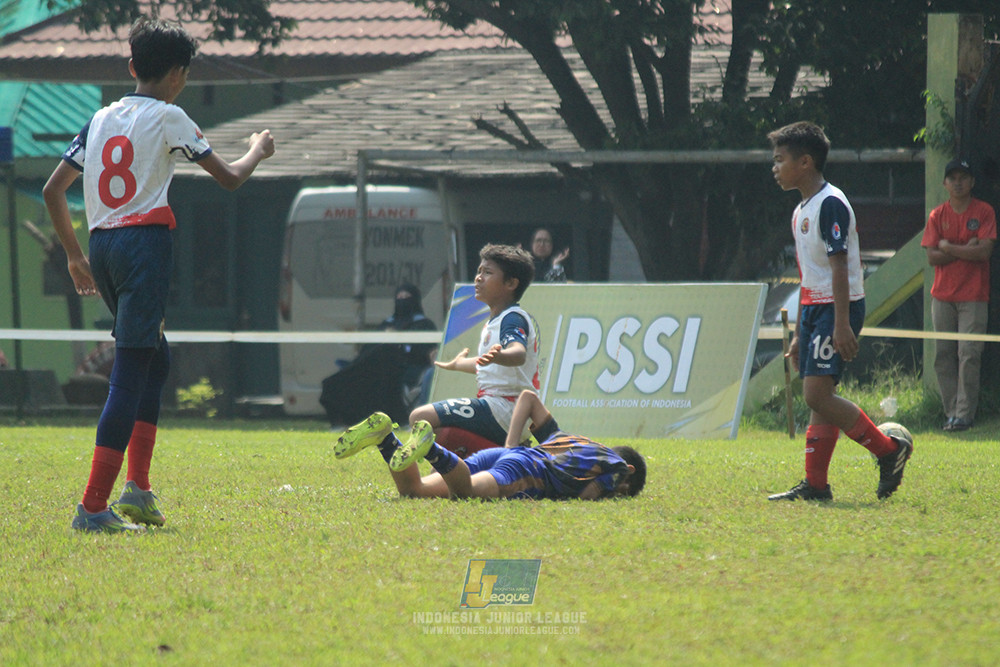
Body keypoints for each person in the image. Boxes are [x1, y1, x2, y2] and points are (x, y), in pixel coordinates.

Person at [42, 17, 276, 533]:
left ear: (131, 67)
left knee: (154, 359)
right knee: (129, 371)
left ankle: (139, 490)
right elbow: (232, 178)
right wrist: (259, 146)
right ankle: (93, 506)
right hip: (144, 244)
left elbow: (53, 189)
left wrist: (74, 256)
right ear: (179, 74)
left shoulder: (100, 118)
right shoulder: (170, 117)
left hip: (102, 246)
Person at [766, 121, 912, 502]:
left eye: (780, 159)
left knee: (816, 396)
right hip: (816, 308)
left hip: (837, 307)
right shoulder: (801, 210)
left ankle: (888, 450)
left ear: (805, 162)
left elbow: (840, 266)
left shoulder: (830, 203)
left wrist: (843, 324)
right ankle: (815, 485)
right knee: (820, 393)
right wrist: (801, 332)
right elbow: (808, 276)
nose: (774, 167)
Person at [333, 389, 646, 500]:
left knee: (415, 491)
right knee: (465, 491)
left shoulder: (567, 440)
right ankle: (429, 447)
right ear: (628, 471)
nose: (617, 492)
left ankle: (385, 437)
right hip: (522, 470)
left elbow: (528, 398)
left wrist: (510, 445)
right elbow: (589, 495)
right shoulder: (615, 467)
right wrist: (607, 491)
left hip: (507, 455)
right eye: (624, 491)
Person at [408, 244, 539, 448]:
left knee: (420, 416)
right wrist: (457, 364)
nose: (478, 277)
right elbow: (488, 363)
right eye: (479, 271)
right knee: (442, 451)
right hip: (501, 410)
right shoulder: (496, 320)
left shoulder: (512, 318)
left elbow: (518, 353)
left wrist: (500, 355)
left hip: (505, 409)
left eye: (487, 272)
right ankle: (498, 459)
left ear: (511, 283)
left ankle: (506, 456)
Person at [921, 159, 996, 432]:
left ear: (972, 182)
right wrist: (966, 247)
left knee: (969, 354)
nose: (958, 182)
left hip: (974, 296)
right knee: (943, 354)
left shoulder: (984, 211)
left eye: (963, 177)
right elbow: (931, 257)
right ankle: (950, 411)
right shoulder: (937, 215)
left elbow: (984, 252)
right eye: (952, 178)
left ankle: (965, 414)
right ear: (945, 184)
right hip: (942, 296)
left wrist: (948, 247)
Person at [319, 282, 437, 425]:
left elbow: (425, 352)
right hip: (375, 366)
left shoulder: (424, 325)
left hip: (403, 368)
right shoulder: (386, 324)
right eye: (399, 296)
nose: (402, 300)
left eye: (407, 296)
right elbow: (369, 349)